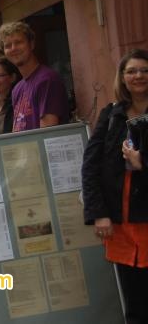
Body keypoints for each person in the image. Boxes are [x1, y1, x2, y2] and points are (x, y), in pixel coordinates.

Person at [82, 49, 148, 323]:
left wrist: (142, 161)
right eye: (131, 71)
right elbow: (91, 166)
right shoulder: (111, 114)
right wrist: (98, 213)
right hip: (120, 223)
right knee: (135, 302)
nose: (139, 76)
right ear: (122, 77)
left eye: (145, 70)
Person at [0, 21, 69, 132]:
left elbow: (48, 132)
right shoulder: (17, 89)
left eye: (18, 42)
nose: (13, 48)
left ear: (32, 44)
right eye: (7, 45)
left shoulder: (47, 79)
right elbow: (17, 131)